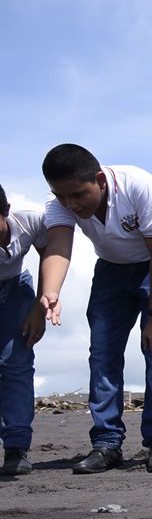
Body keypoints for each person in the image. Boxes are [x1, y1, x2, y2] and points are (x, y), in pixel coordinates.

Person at [39, 144, 152, 474]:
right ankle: (106, 443)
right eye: (62, 197)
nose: (71, 205)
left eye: (78, 195)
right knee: (103, 352)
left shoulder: (138, 185)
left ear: (99, 180)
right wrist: (51, 290)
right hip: (112, 269)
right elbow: (59, 246)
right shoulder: (61, 202)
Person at [0, 186, 49, 476]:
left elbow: (50, 255)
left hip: (17, 289)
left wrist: (38, 309)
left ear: (5, 210)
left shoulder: (29, 221)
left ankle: (17, 446)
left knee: (16, 364)